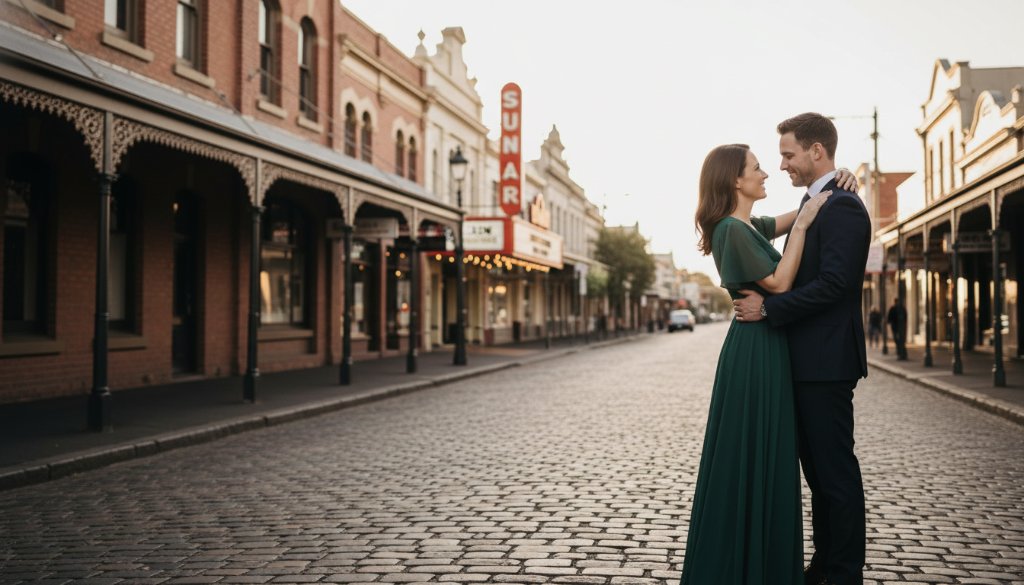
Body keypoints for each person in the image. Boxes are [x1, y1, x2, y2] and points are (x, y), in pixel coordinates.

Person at [680, 142, 858, 584]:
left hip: (767, 344)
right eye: (757, 168)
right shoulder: (731, 230)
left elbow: (799, 213)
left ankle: (761, 561)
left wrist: (838, 182)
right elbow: (779, 282)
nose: (767, 173)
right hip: (756, 349)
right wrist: (805, 225)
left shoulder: (748, 226)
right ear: (734, 180)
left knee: (767, 453)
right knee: (753, 451)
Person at [733, 113, 871, 585]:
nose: (782, 165)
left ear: (817, 151)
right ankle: (824, 566)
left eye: (788, 154)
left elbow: (835, 284)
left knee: (834, 475)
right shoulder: (816, 202)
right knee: (819, 476)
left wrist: (769, 310)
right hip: (805, 362)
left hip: (825, 363)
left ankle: (843, 573)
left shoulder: (843, 207)